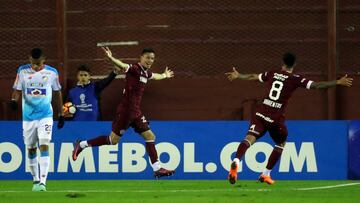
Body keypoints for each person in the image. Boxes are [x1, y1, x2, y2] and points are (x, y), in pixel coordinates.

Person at [225, 52, 353, 185]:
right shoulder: (295, 79)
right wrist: (338, 82)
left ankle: (236, 161)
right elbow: (317, 85)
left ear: (283, 63)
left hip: (261, 113)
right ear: (294, 64)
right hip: (275, 118)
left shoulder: (272, 73)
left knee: (249, 139)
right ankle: (265, 174)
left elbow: (253, 76)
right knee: (280, 144)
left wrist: (238, 75)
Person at [72, 47, 176, 178]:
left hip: (136, 112)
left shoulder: (145, 73)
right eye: (147, 57)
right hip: (126, 111)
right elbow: (123, 65)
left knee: (150, 137)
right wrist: (111, 58)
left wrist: (165, 75)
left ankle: (157, 168)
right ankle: (82, 144)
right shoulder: (134, 68)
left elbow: (155, 76)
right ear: (141, 58)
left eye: (152, 58)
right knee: (112, 141)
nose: (150, 60)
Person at [10, 48, 65, 191]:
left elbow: (57, 92)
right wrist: (13, 101)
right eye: (33, 63)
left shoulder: (52, 73)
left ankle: (43, 183)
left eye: (38, 63)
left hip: (45, 116)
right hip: (28, 117)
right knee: (31, 149)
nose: (35, 66)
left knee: (44, 145)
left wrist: (61, 114)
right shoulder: (22, 71)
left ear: (44, 60)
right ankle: (35, 181)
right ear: (29, 60)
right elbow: (17, 90)